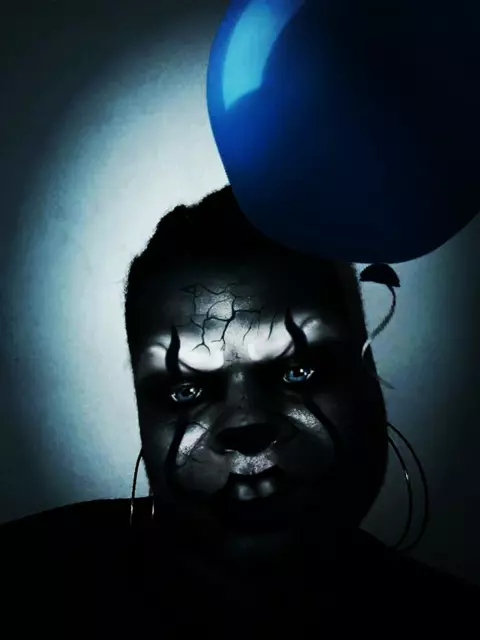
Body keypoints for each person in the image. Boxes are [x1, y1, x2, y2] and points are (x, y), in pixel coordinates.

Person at [1, 186, 478, 635]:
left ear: (368, 370)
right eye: (186, 391)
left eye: (299, 372)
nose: (247, 423)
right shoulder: (27, 584)